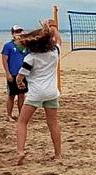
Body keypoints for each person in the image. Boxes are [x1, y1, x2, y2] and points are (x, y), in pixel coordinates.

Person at [15, 21, 62, 165]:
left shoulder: (30, 58)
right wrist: (52, 27)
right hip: (52, 92)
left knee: (22, 122)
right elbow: (59, 40)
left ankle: (21, 151)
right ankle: (58, 155)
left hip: (36, 93)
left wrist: (19, 82)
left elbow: (20, 76)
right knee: (53, 123)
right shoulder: (54, 53)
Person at [1, 25, 28, 121]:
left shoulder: (25, 45)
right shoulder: (8, 46)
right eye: (17, 32)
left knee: (22, 96)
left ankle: (21, 115)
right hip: (12, 74)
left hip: (23, 74)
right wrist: (7, 73)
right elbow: (4, 60)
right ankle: (9, 115)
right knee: (11, 95)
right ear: (12, 34)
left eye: (20, 31)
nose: (19, 34)